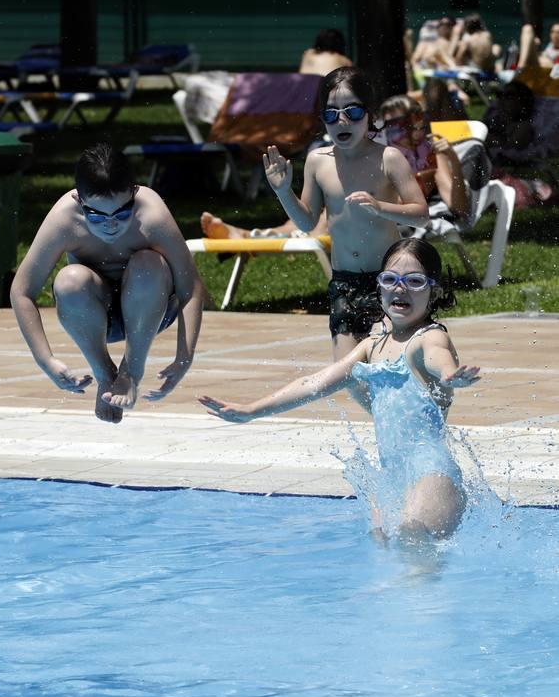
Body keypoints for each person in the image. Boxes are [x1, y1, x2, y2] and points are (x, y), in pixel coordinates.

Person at [199, 239, 480, 542]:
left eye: (414, 281)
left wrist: (450, 375)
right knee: (387, 561)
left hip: (432, 476)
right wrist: (251, 410)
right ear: (379, 287)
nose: (400, 289)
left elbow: (438, 357)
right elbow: (315, 384)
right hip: (392, 480)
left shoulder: (428, 337)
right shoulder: (371, 347)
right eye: (390, 280)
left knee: (415, 560)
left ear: (434, 290)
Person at [10, 142, 204, 424]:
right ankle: (104, 373)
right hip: (96, 315)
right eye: (96, 215)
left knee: (148, 264)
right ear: (79, 200)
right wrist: (46, 360)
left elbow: (191, 287)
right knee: (69, 281)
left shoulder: (152, 215)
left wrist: (184, 357)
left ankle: (130, 373)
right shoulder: (65, 218)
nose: (110, 224)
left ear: (134, 194)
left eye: (121, 213)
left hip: (153, 310)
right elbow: (21, 291)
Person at [262, 66, 429, 360]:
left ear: (370, 114)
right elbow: (307, 221)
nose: (341, 120)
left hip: (387, 281)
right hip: (343, 282)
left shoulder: (387, 158)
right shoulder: (317, 162)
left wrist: (381, 207)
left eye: (352, 112)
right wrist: (283, 191)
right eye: (331, 113)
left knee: (385, 363)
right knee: (347, 371)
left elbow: (420, 214)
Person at [379, 94, 469, 220]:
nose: (414, 135)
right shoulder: (376, 158)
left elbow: (459, 208)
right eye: (398, 129)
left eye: (419, 127)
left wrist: (453, 159)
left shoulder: (430, 154)